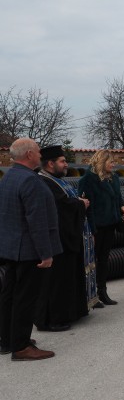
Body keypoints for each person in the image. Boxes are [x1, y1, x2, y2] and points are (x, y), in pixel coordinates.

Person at [0, 138, 62, 361]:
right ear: (28, 155)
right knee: (26, 297)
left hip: (11, 248)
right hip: (29, 251)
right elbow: (37, 221)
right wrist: (45, 254)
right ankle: (21, 346)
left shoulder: (9, 177)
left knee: (10, 295)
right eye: (37, 151)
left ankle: (7, 339)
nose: (40, 154)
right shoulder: (31, 181)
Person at [35, 145, 91, 333]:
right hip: (57, 241)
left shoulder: (57, 181)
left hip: (68, 239)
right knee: (55, 282)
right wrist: (80, 204)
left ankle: (71, 312)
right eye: (62, 161)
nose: (66, 164)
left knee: (67, 279)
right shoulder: (44, 182)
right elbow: (62, 207)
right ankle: (53, 319)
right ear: (50, 164)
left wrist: (77, 204)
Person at [78, 150, 124, 305]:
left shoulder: (114, 178)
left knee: (104, 260)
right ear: (101, 162)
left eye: (113, 162)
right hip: (96, 227)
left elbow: (118, 197)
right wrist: (92, 230)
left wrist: (122, 207)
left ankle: (102, 292)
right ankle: (89, 295)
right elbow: (87, 208)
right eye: (110, 162)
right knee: (90, 262)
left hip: (110, 224)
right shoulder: (88, 179)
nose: (113, 165)